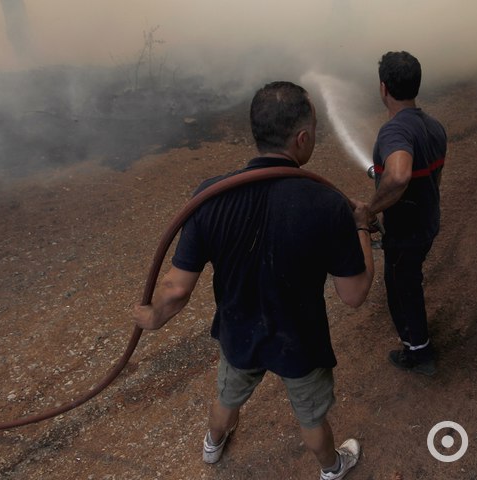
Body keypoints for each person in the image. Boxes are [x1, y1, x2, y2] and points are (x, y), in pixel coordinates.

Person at [133, 81, 374, 480]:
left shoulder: (209, 196)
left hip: (238, 333)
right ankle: (332, 468)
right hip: (300, 341)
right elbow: (354, 294)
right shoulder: (327, 205)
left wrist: (154, 316)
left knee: (227, 400)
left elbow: (176, 289)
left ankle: (212, 446)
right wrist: (362, 227)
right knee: (312, 420)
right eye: (314, 129)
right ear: (301, 139)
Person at [366, 51, 447, 376]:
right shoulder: (434, 126)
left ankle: (419, 352)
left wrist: (370, 210)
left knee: (402, 285)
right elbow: (425, 176)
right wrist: (380, 175)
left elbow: (399, 176)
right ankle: (418, 343)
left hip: (406, 230)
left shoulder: (395, 131)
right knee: (409, 278)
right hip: (428, 220)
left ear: (383, 88)